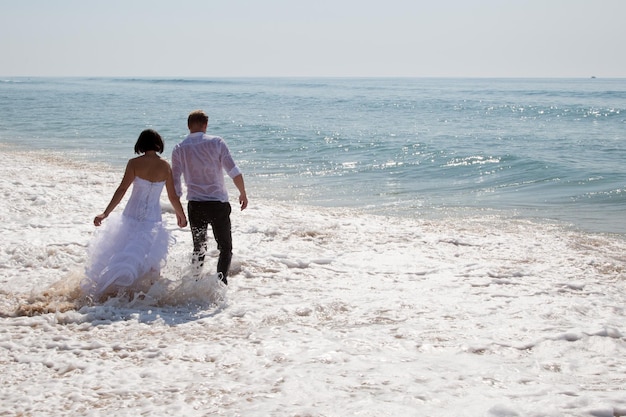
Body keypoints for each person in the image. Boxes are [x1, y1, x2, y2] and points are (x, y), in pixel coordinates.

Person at [81, 129, 188, 301]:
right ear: (158, 144)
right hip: (153, 217)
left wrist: (105, 213)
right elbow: (173, 196)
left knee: (123, 250)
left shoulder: (134, 163)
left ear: (141, 144)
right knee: (148, 253)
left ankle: (117, 290)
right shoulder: (165, 166)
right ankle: (145, 296)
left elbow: (122, 189)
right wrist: (181, 215)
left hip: (132, 214)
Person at [171, 110, 248, 285]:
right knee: (225, 247)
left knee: (199, 248)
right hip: (217, 204)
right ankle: (221, 285)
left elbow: (175, 184)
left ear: (189, 126)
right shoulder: (217, 142)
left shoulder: (179, 148)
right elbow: (233, 171)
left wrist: (179, 212)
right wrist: (242, 193)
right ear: (205, 125)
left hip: (195, 205)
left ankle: (195, 284)